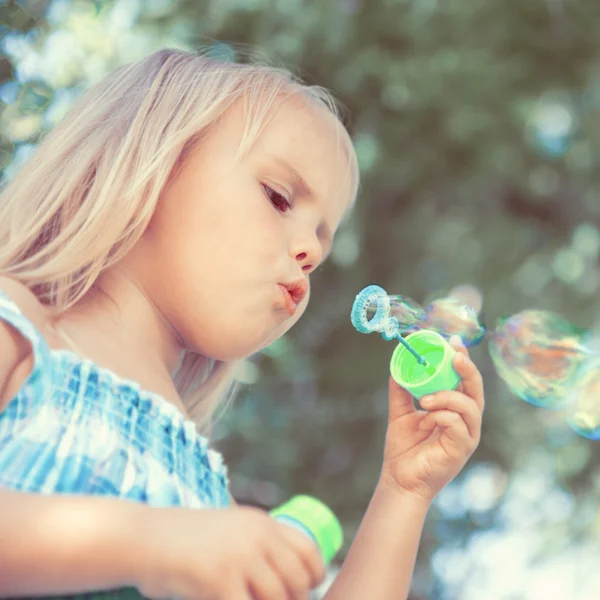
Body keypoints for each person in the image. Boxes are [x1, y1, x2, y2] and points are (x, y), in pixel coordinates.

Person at [0, 48, 485, 599]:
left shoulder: (208, 501)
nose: (307, 251)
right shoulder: (17, 328)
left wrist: (404, 491)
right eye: (279, 198)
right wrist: (150, 544)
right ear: (150, 163)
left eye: (320, 248)